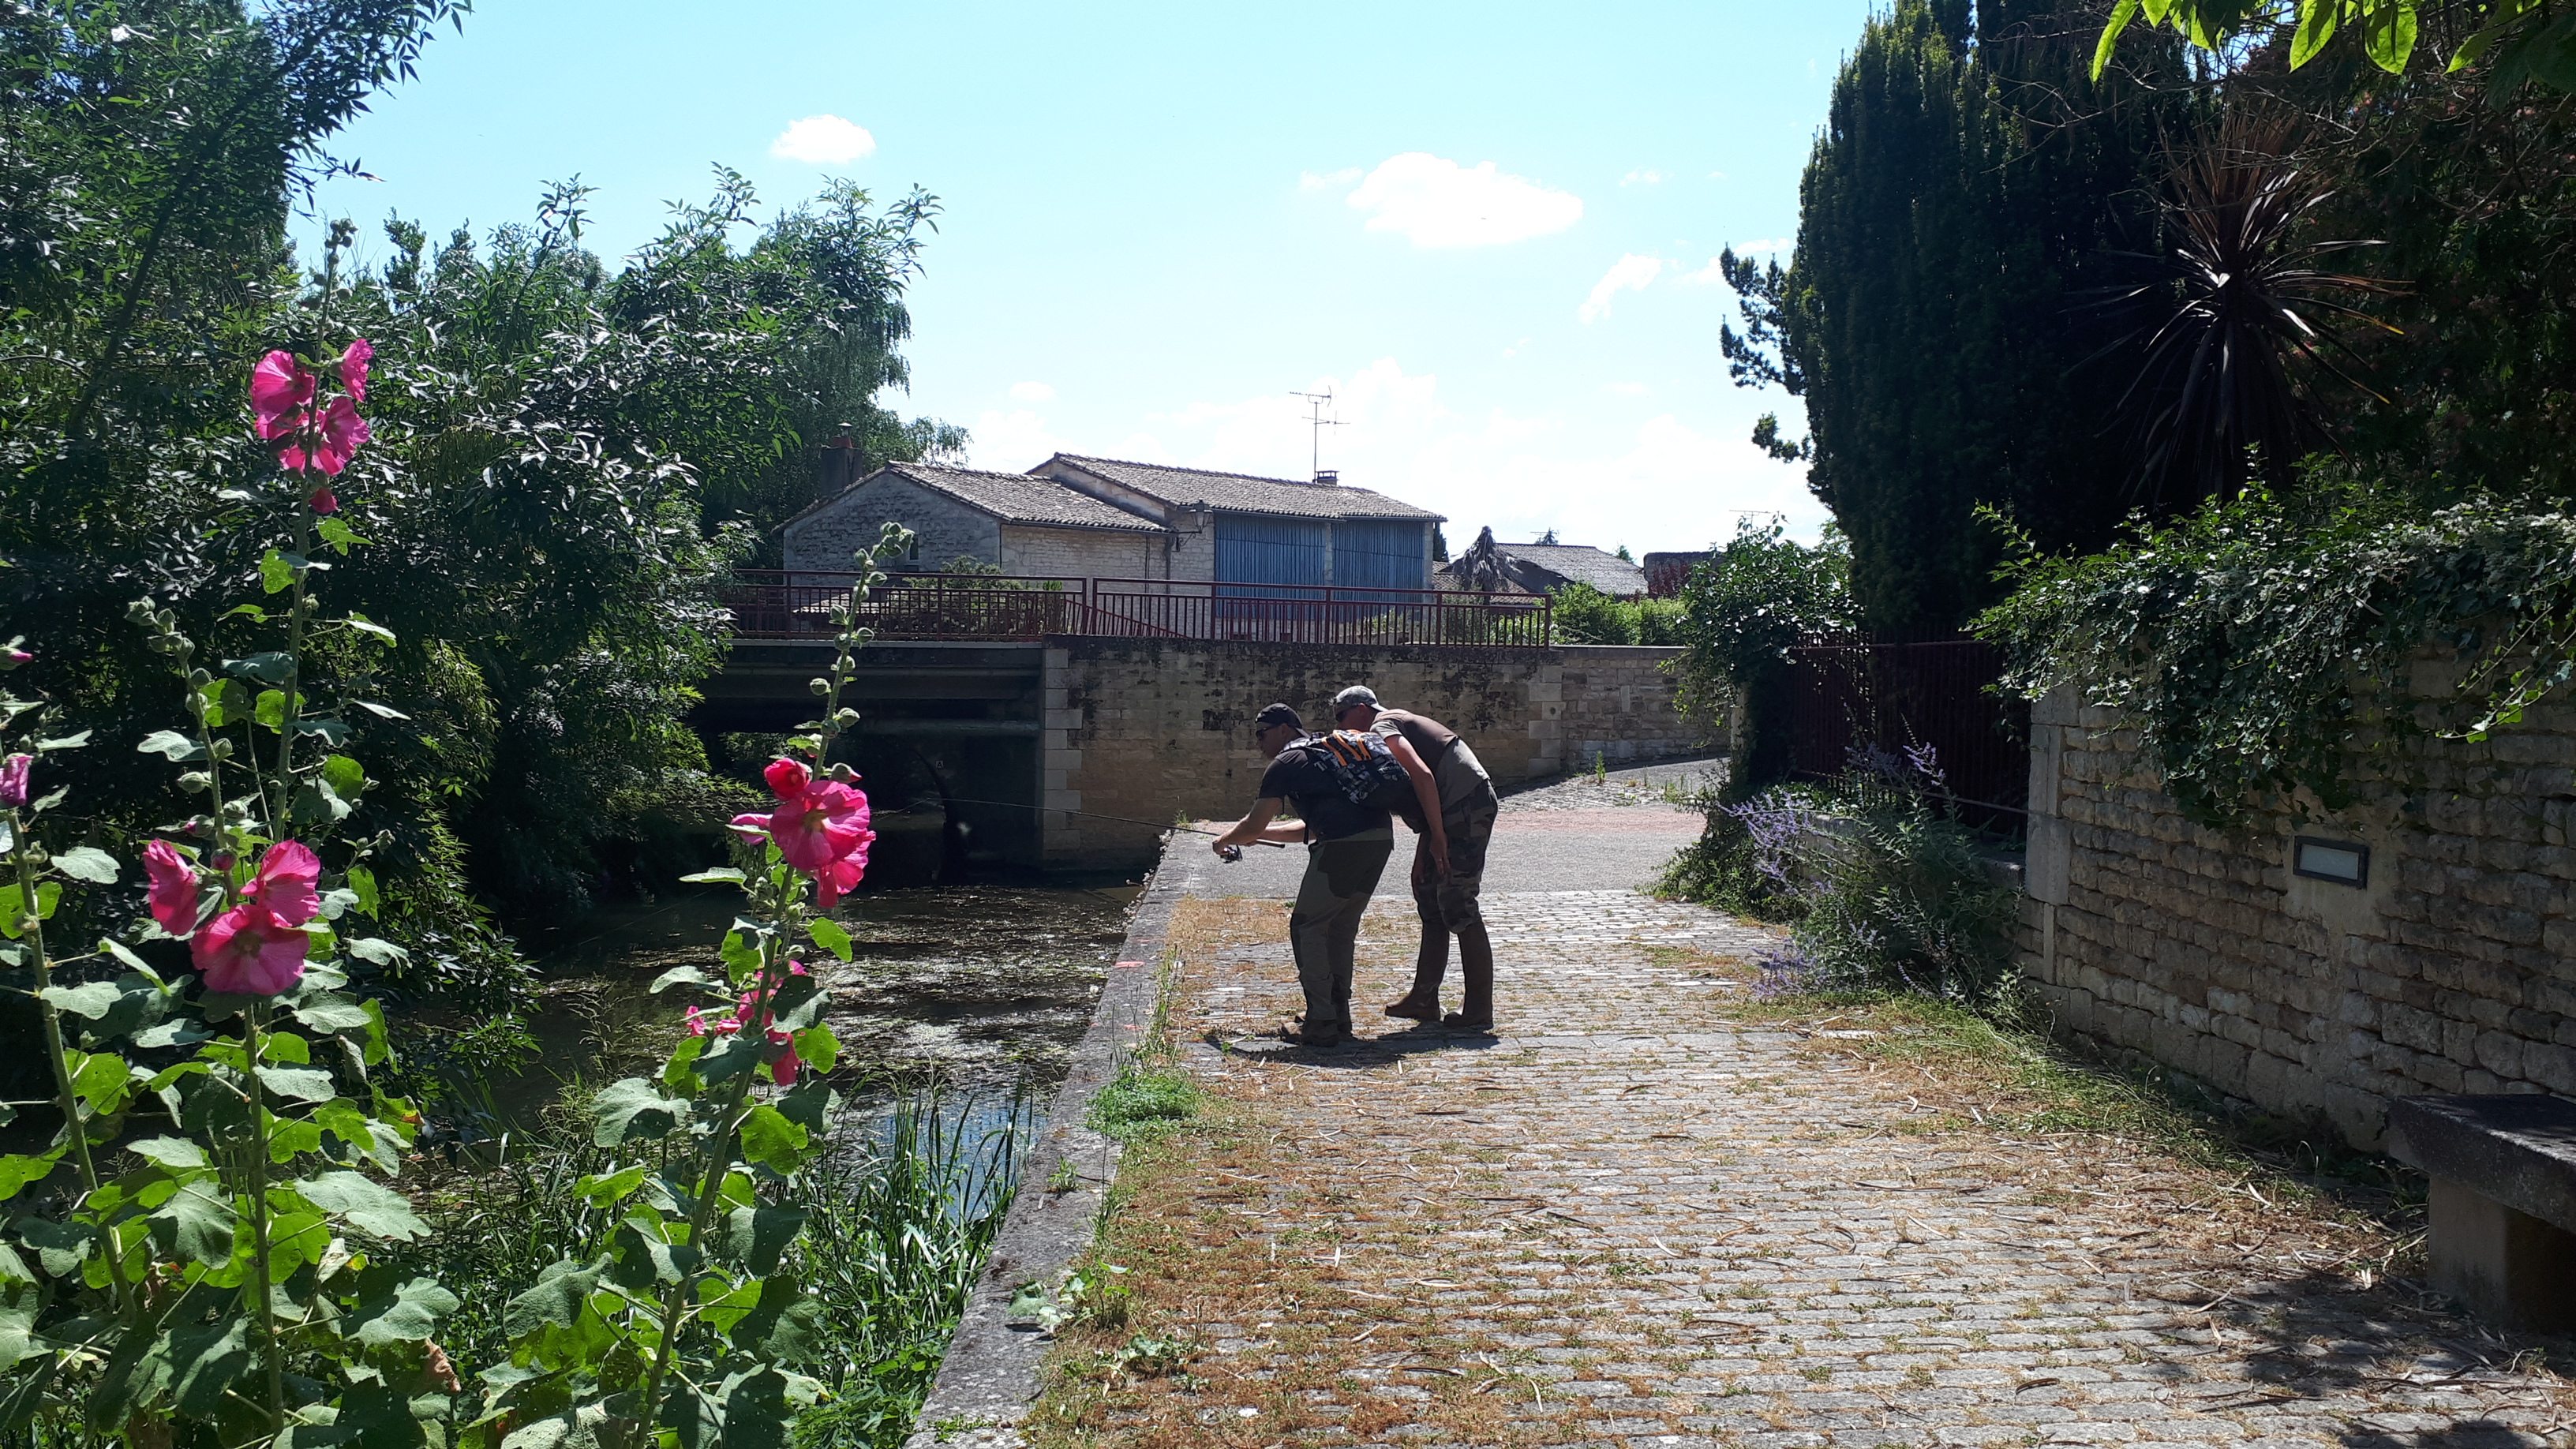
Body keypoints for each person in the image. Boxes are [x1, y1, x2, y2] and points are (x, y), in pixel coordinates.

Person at [1207, 702, 1400, 1047]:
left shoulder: (1286, 763)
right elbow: (1308, 828)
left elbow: (1254, 821)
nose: (1258, 743)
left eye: (1261, 734)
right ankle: (1337, 1015)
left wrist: (1224, 840)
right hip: (1379, 840)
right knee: (1339, 928)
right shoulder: (1326, 752)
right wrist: (1257, 835)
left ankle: (1321, 1021)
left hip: (1343, 847)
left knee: (1307, 926)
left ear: (1283, 730)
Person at [1331, 685, 1501, 1032]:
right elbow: (1426, 789)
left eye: (1341, 717)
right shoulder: (1386, 726)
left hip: (1467, 806)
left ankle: (1479, 1009)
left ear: (1362, 709)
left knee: (1458, 901)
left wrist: (1438, 837)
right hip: (1455, 807)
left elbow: (1422, 775)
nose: (1340, 726)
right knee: (1429, 896)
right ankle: (1424, 998)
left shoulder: (1382, 725)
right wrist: (1424, 851)